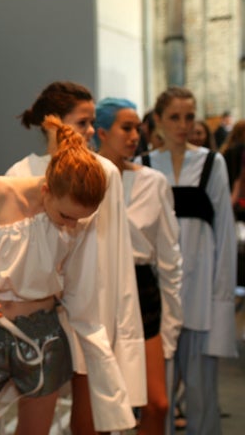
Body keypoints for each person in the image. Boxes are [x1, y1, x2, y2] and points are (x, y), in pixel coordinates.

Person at [0, 115, 136, 435]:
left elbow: (80, 282)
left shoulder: (76, 216)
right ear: (47, 189)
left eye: (80, 220)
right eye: (65, 216)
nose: (71, 226)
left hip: (44, 336)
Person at [6, 81, 145, 435]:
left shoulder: (103, 171)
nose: (89, 132)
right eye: (82, 122)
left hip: (89, 311)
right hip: (33, 312)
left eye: (91, 122)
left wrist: (116, 323)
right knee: (34, 417)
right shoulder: (19, 174)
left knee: (90, 418)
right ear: (52, 122)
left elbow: (115, 260)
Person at [136, 87, 237, 435]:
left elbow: (224, 232)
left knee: (203, 394)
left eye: (189, 116)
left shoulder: (212, 163)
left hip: (201, 294)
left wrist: (221, 296)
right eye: (175, 117)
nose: (183, 124)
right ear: (159, 121)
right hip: (156, 299)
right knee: (156, 396)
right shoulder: (143, 166)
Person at [94, 97, 184, 435]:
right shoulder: (86, 176)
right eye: (126, 128)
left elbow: (170, 256)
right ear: (101, 131)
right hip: (100, 287)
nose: (135, 136)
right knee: (103, 405)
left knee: (158, 403)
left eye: (137, 128)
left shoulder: (153, 181)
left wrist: (174, 320)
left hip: (143, 286)